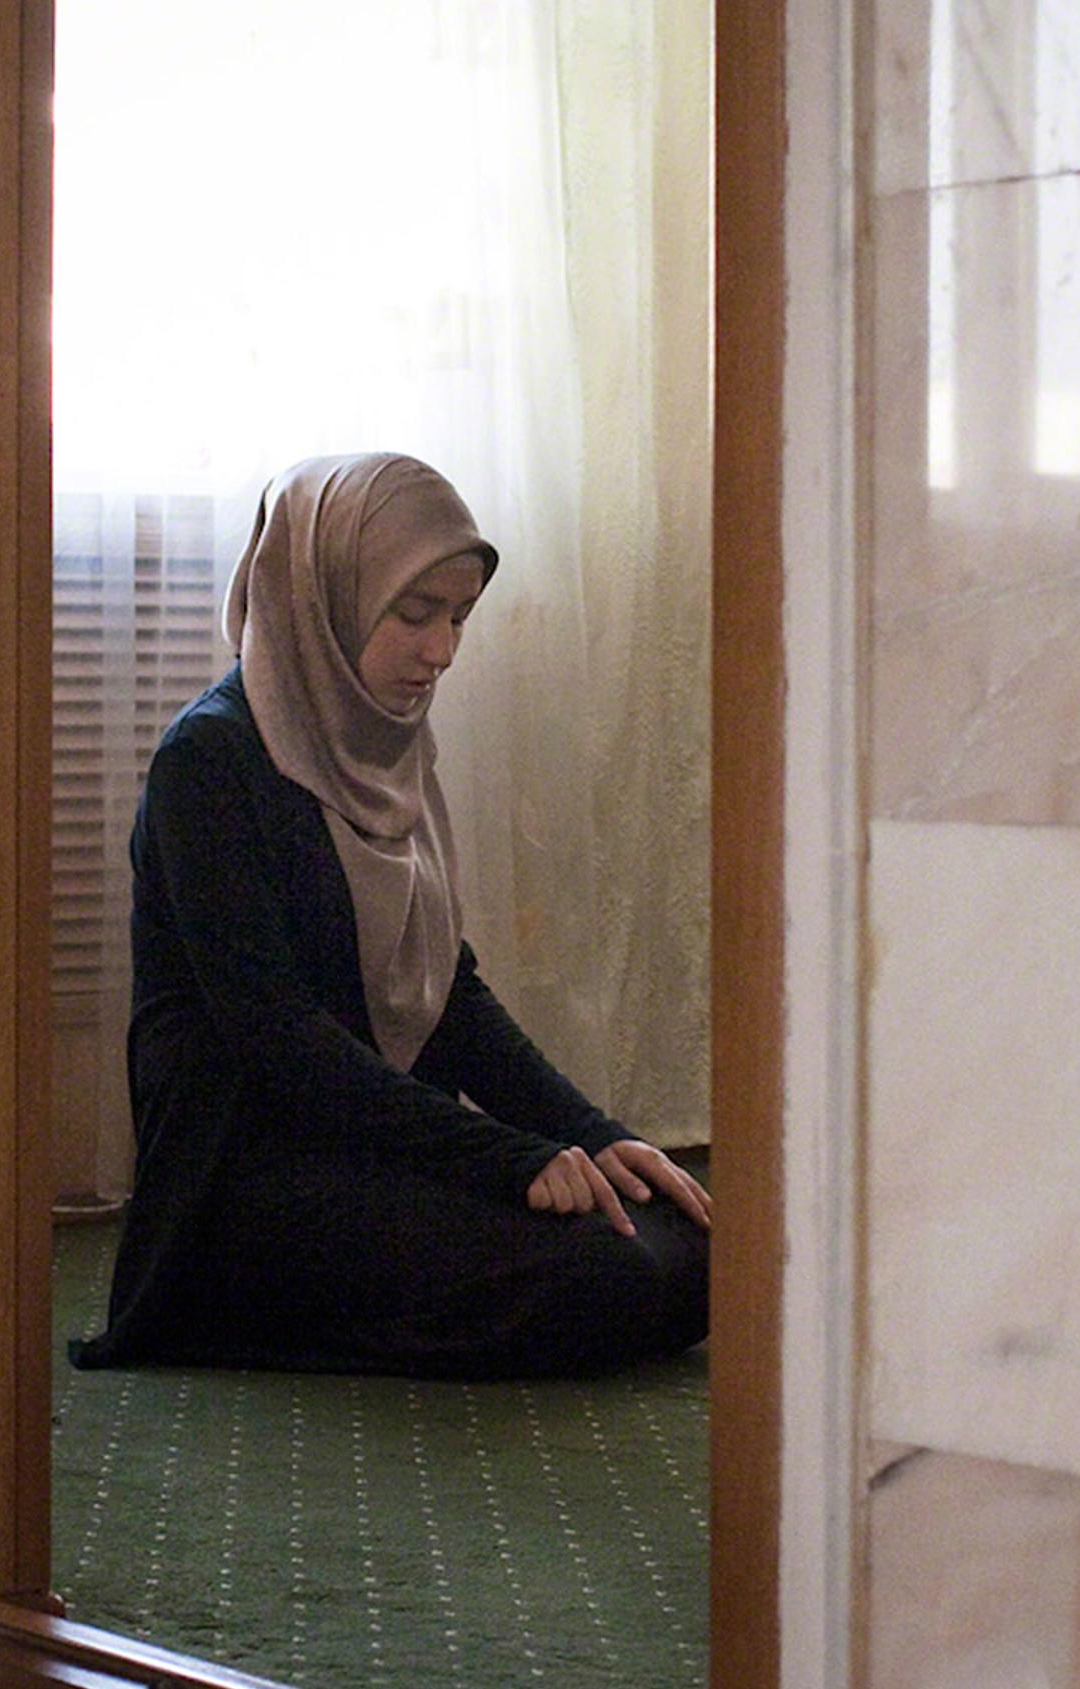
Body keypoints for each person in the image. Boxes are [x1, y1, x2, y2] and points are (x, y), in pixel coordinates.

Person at [72, 451, 709, 1379]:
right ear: (325, 594)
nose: (441, 651)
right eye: (415, 615)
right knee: (604, 1275)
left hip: (380, 1143)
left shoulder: (383, 747)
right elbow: (279, 1040)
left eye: (457, 618)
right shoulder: (207, 765)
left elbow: (446, 995)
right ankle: (236, 1303)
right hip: (250, 1174)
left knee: (689, 1245)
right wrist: (505, 1158)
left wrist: (597, 1135)